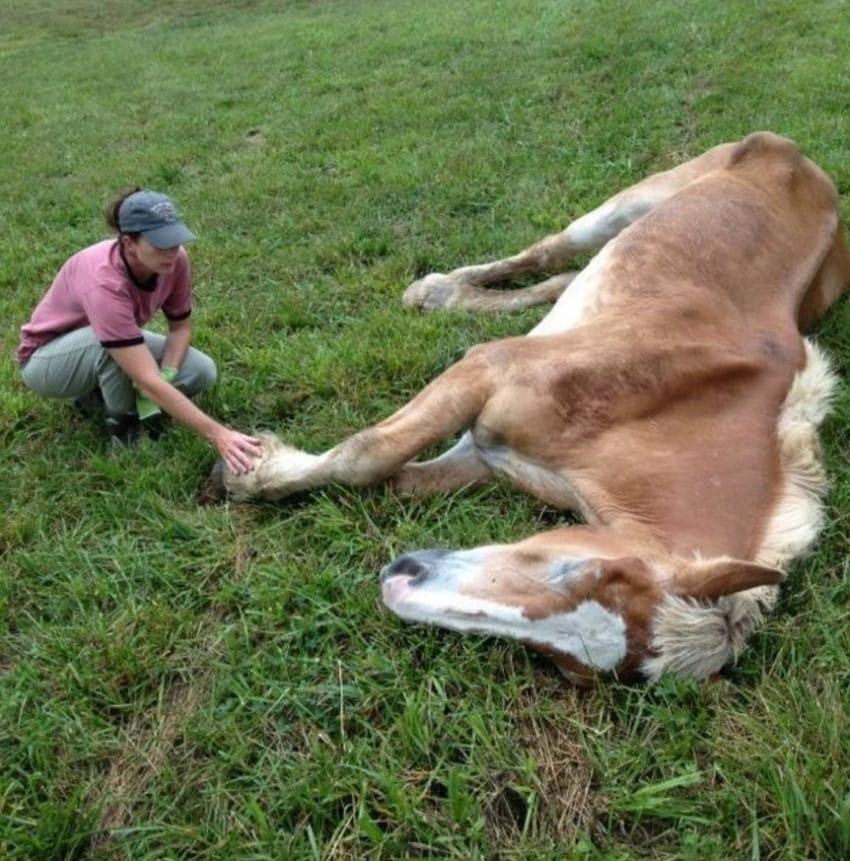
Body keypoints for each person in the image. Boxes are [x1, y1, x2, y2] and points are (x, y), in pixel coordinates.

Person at [15, 188, 261, 475]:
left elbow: (180, 327)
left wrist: (166, 375)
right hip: (47, 361)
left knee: (201, 371)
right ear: (129, 242)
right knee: (109, 349)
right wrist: (219, 434)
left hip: (111, 341)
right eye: (160, 245)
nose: (171, 252)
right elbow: (145, 378)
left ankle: (96, 398)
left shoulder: (176, 261)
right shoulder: (104, 280)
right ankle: (125, 430)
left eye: (175, 241)